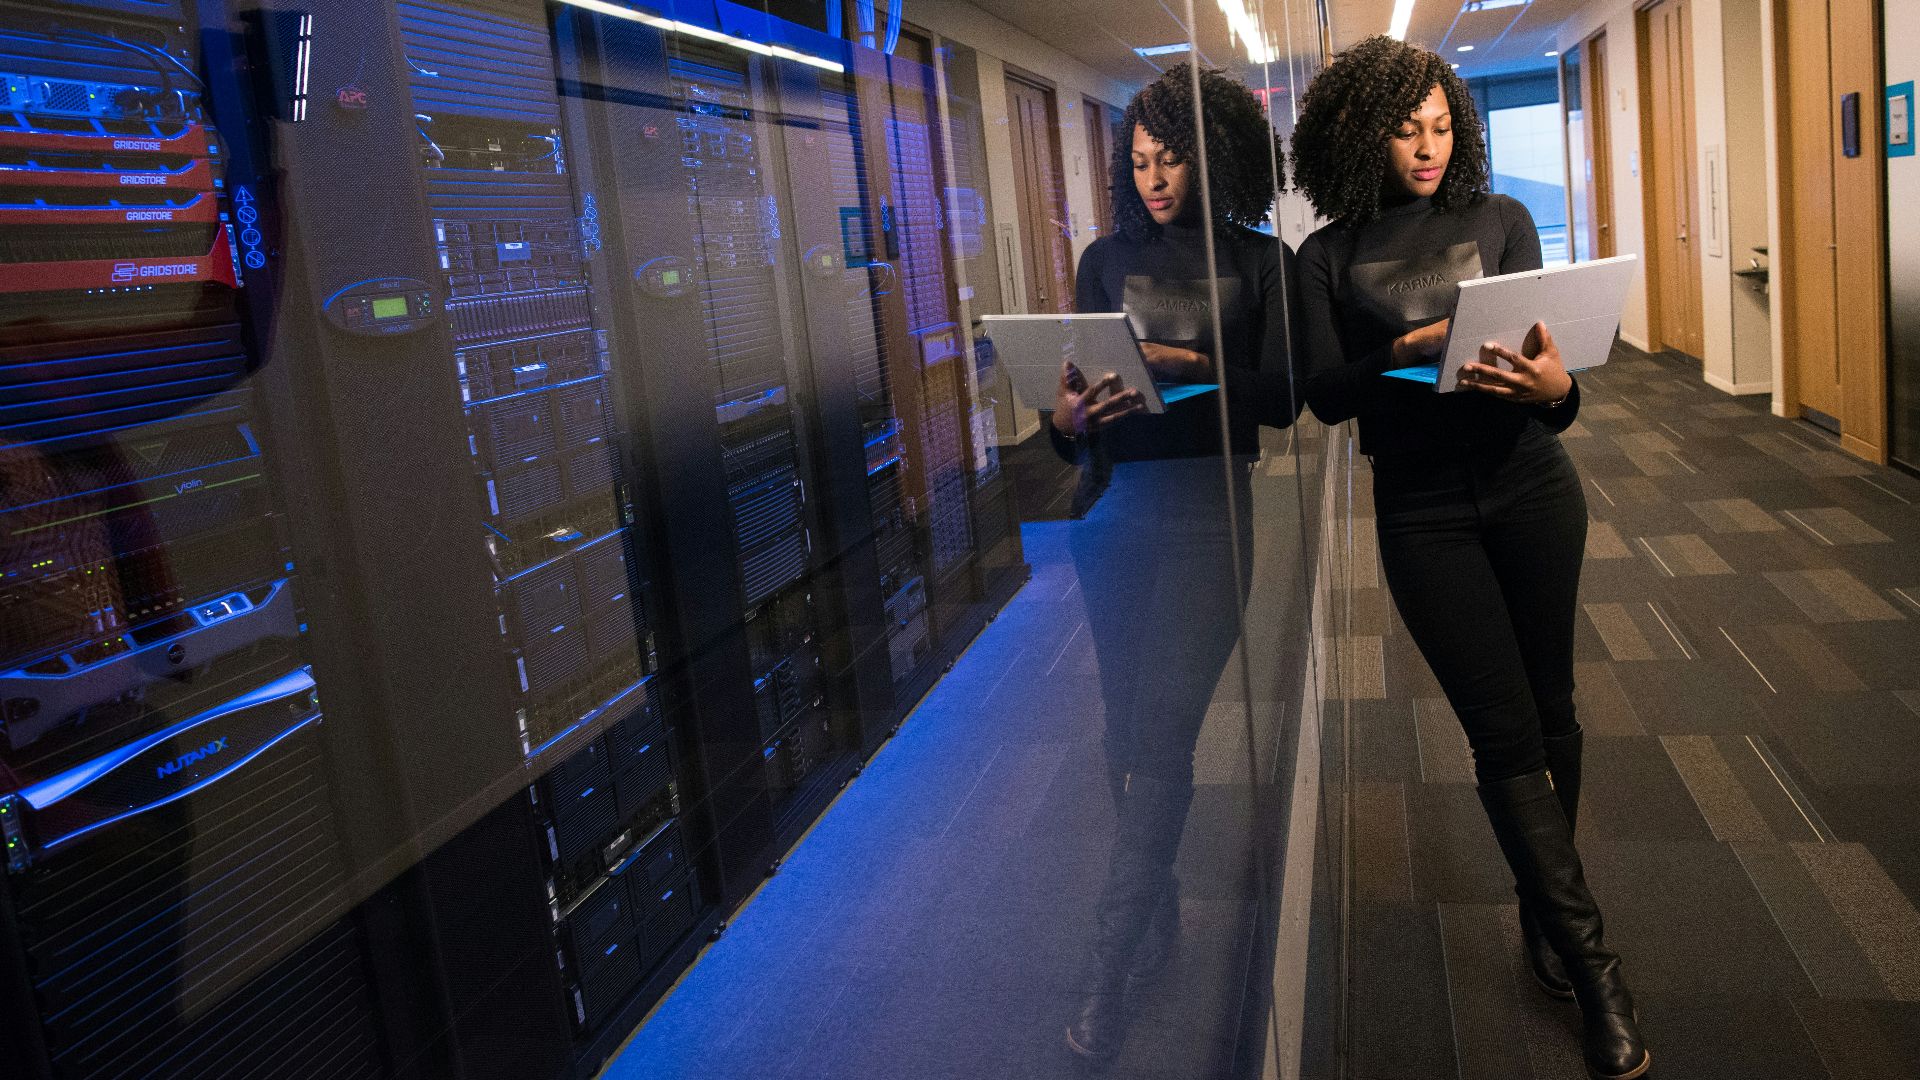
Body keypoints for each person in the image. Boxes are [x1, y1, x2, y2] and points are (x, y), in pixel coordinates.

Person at [1289, 35, 1648, 1080]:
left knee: (1554, 712)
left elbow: (1554, 378)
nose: (1430, 146)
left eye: (1444, 126)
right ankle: (1594, 971)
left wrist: (1560, 392)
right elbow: (1323, 392)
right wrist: (1398, 353)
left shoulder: (1503, 221)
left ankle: (1547, 913)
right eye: (1408, 130)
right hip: (1423, 512)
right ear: (1364, 134)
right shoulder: (1328, 255)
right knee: (1502, 737)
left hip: (1533, 487)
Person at [1046, 64, 1298, 1061]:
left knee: (1163, 732)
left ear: (1211, 153)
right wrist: (1066, 419)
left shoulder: (1257, 261)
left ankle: (1108, 966)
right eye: (1140, 161)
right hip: (1117, 518)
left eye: (1172, 157)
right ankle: (1156, 913)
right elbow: (1071, 427)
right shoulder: (1102, 261)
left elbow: (1282, 400)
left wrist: (1190, 366)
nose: (1154, 177)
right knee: (1123, 736)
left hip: (1209, 523)